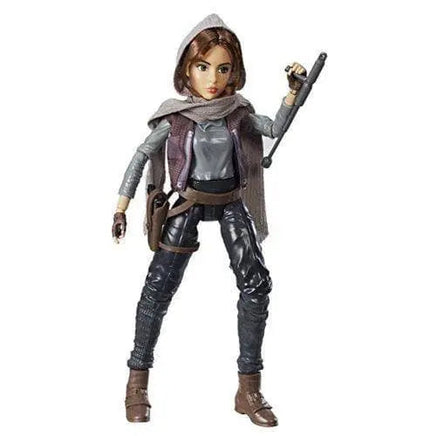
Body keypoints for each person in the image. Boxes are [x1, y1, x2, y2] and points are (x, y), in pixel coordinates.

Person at [112, 13, 306, 427]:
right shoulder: (176, 118)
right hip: (189, 203)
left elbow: (273, 128)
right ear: (187, 69)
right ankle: (136, 383)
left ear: (234, 71)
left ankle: (248, 389)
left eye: (223, 68)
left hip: (233, 201)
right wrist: (121, 206)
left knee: (257, 285)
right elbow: (142, 155)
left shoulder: (238, 112)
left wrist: (293, 94)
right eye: (203, 67)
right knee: (157, 289)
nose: (213, 78)